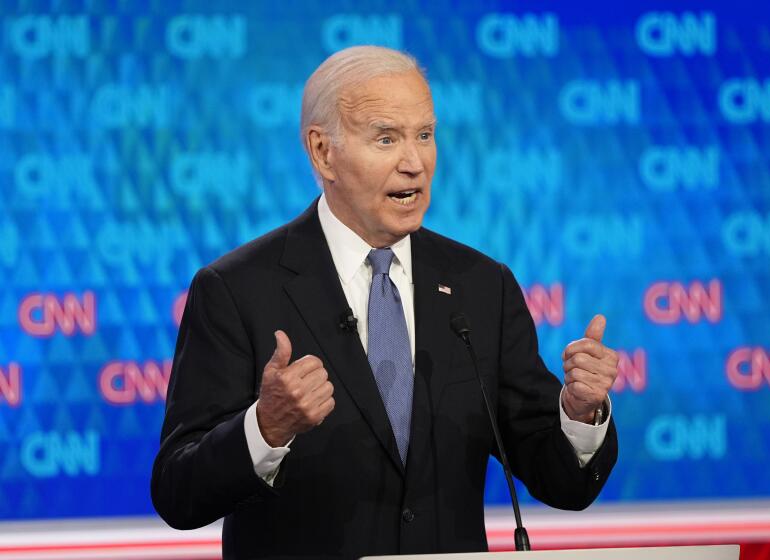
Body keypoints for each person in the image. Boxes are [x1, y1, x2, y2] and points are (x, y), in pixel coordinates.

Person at [151, 46, 619, 559]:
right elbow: (179, 492)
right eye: (386, 138)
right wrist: (266, 428)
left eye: (425, 134)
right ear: (323, 152)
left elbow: (563, 483)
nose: (414, 163)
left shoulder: (481, 285)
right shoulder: (237, 290)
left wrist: (579, 414)